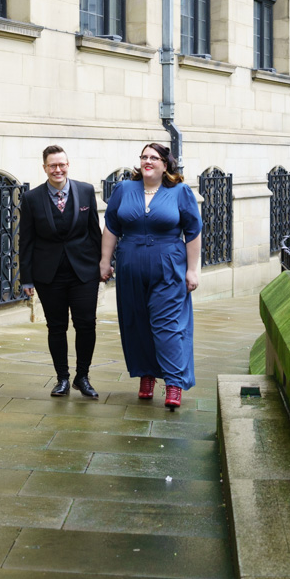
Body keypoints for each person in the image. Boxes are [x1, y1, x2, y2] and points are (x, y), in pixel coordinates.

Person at [100, 142, 202, 409]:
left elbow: (193, 232)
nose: (147, 161)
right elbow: (111, 227)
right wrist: (104, 261)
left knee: (167, 326)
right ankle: (146, 375)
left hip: (168, 265)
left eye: (154, 157)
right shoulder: (123, 189)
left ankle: (173, 382)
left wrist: (192, 270)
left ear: (165, 164)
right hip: (130, 264)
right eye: (144, 157)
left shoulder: (180, 191)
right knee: (136, 322)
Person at [19, 145, 102, 398]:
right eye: (52, 165)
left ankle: (83, 377)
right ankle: (62, 379)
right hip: (48, 274)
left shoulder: (86, 191)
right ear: (44, 168)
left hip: (84, 272)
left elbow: (94, 232)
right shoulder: (32, 198)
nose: (58, 169)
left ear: (68, 165)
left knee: (86, 324)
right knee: (57, 327)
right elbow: (26, 240)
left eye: (62, 164)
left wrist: (103, 264)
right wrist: (27, 278)